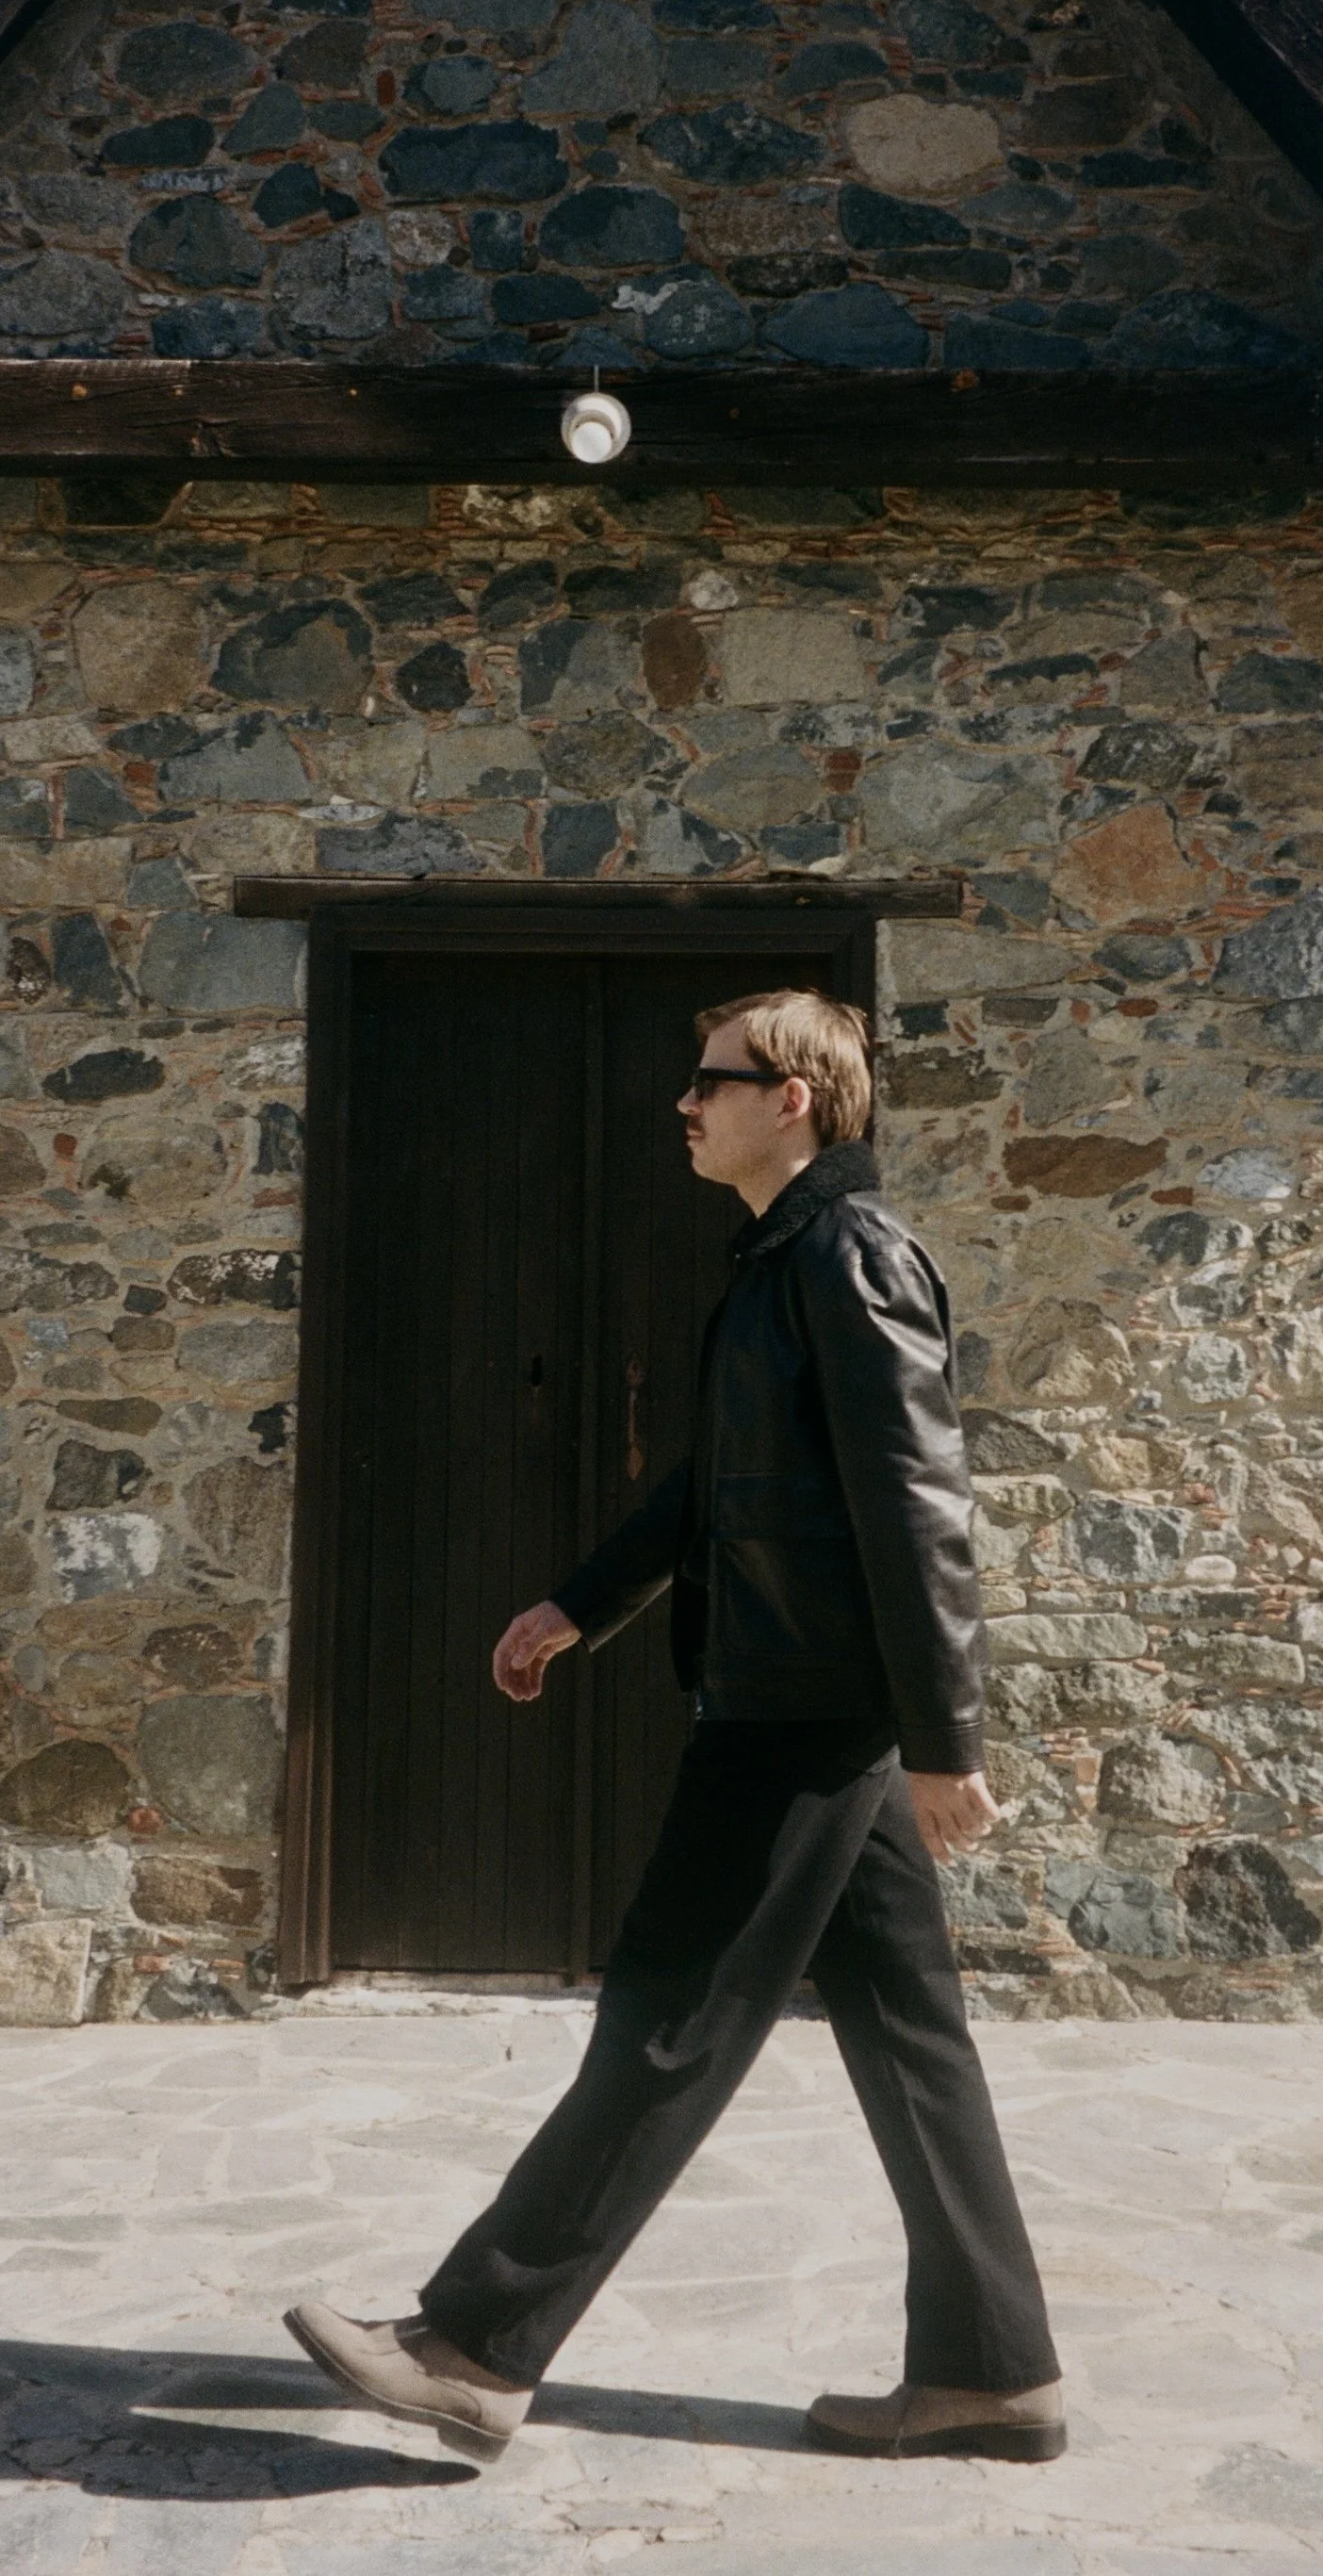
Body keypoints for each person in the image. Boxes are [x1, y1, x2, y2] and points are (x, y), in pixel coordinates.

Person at [286, 988, 1063, 2467]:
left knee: (664, 2013)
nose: (682, 1106)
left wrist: (942, 1738)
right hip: (797, 1696)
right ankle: (990, 2367)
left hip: (803, 1713)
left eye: (708, 1082)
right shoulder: (780, 1261)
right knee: (911, 2035)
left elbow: (920, 1508)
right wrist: (578, 1602)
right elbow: (716, 1488)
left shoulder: (850, 1253)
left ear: (795, 1099)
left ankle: (474, 2346)